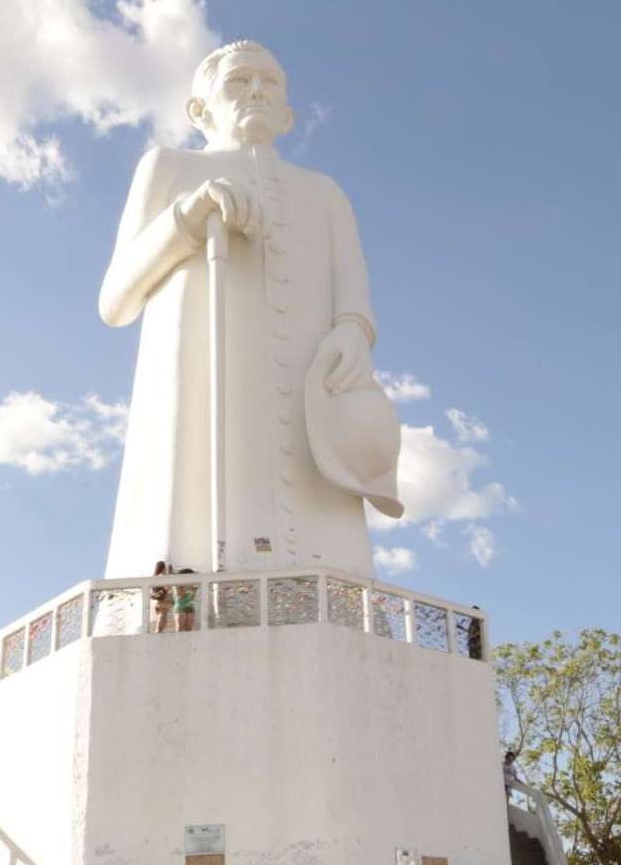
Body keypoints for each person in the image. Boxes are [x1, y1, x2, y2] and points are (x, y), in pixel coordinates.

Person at [98, 41, 403, 579]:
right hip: (202, 379)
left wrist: (353, 332)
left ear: (288, 111)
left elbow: (353, 291)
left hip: (312, 382)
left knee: (321, 521)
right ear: (199, 109)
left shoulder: (325, 193)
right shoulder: (170, 166)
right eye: (240, 80)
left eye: (270, 82)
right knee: (196, 497)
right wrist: (186, 219)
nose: (257, 90)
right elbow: (115, 300)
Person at [149, 560, 174, 633]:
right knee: (162, 617)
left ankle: (158, 631)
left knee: (162, 617)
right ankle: (158, 632)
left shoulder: (155, 577)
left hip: (158, 601)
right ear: (163, 568)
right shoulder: (163, 577)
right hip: (163, 600)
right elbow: (168, 588)